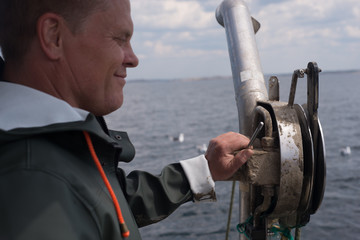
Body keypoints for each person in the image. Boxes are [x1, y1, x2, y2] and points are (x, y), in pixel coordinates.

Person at [0, 0, 253, 239]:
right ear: (53, 36)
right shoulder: (31, 182)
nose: (133, 59)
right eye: (120, 39)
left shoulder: (47, 144)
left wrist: (204, 170)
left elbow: (105, 204)